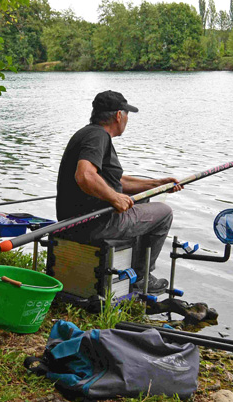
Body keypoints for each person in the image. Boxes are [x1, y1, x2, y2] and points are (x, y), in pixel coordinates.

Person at [56, 90, 183, 294]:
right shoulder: (99, 136)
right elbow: (85, 176)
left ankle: (131, 270)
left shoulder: (88, 134)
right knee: (164, 213)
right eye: (127, 114)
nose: (127, 119)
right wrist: (114, 198)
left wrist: (157, 184)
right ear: (118, 115)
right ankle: (142, 278)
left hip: (77, 220)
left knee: (145, 199)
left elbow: (116, 181)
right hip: (94, 223)